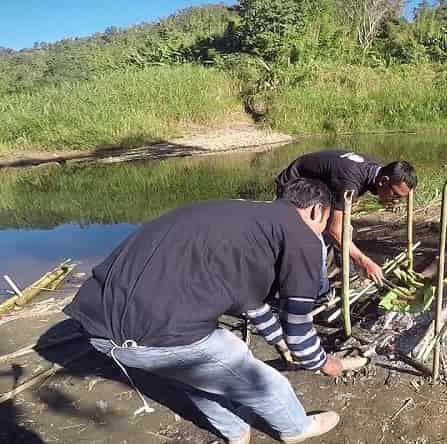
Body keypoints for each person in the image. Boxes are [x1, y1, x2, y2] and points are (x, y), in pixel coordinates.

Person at [63, 179, 344, 444]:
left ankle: (236, 432)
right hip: (159, 332)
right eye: (324, 222)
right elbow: (299, 326)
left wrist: (279, 343)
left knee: (194, 378)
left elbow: (248, 301)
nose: (320, 233)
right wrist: (322, 362)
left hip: (97, 330)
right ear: (318, 210)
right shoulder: (302, 235)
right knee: (263, 381)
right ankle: (296, 429)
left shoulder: (242, 217)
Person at [275, 150, 417, 285]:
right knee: (316, 242)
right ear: (383, 181)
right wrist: (365, 262)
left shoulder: (375, 171)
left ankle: (346, 274)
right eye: (396, 195)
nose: (397, 201)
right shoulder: (350, 180)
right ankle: (318, 290)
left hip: (318, 189)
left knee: (346, 231)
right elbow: (335, 230)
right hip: (295, 186)